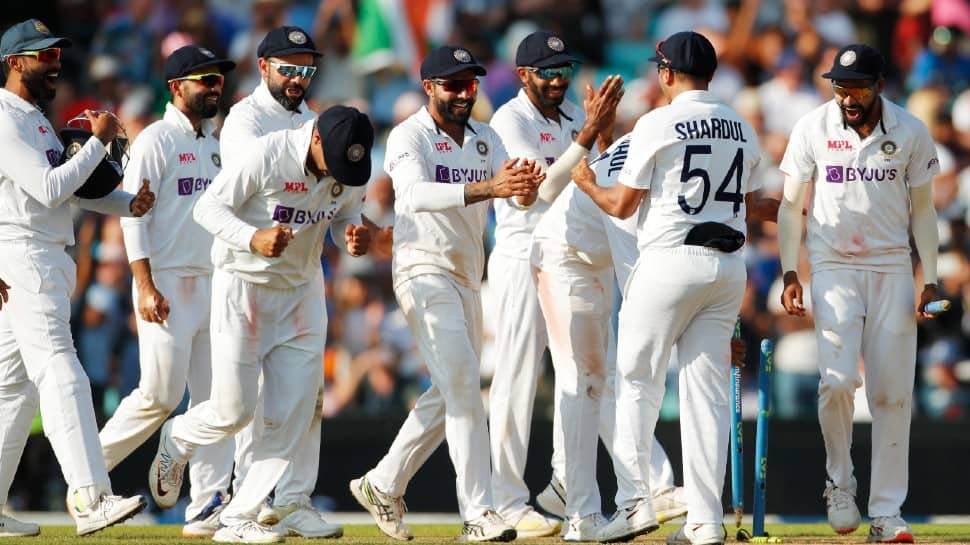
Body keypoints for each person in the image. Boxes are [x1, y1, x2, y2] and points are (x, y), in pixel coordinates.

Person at [571, 32, 767, 544]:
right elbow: (752, 203)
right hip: (727, 269)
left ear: (664, 74)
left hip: (669, 262)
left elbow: (620, 205)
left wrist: (586, 181)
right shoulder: (741, 125)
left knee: (635, 383)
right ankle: (706, 522)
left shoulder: (657, 121)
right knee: (706, 397)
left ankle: (635, 504)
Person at [149, 105, 376, 543]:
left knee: (293, 413)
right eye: (336, 163)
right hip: (244, 287)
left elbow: (346, 213)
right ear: (314, 139)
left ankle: (243, 514)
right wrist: (252, 238)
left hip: (303, 292)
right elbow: (207, 208)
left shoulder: (349, 166)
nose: (342, 174)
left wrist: (352, 233)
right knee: (234, 411)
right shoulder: (267, 155)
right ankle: (178, 435)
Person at [349, 45, 543, 543]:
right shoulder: (409, 135)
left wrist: (524, 186)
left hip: (465, 276)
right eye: (452, 85)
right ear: (429, 86)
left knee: (451, 390)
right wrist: (489, 189)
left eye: (470, 84)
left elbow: (516, 188)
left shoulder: (486, 136)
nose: (463, 93)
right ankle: (479, 513)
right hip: (420, 270)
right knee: (462, 385)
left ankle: (383, 482)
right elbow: (413, 196)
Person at [777, 43, 940, 543]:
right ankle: (839, 481)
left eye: (859, 87)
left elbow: (924, 210)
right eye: (840, 86)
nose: (848, 97)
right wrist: (789, 272)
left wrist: (929, 277)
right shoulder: (812, 127)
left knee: (892, 394)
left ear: (880, 87)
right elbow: (789, 206)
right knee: (837, 382)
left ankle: (887, 513)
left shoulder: (909, 130)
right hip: (833, 265)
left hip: (891, 264)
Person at [0, 18, 154, 537]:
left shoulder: (36, 120)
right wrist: (98, 140)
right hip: (26, 256)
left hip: (37, 254)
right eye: (43, 55)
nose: (55, 63)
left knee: (12, 391)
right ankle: (91, 497)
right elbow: (48, 190)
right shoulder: (4, 116)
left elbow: (69, 191)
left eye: (58, 54)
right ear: (15, 62)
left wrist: (126, 203)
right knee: (62, 372)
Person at [485, 30, 622, 538]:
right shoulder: (509, 120)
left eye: (564, 71)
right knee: (518, 375)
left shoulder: (570, 118)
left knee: (580, 373)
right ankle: (504, 499)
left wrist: (600, 133)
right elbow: (538, 192)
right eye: (547, 72)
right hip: (521, 252)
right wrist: (588, 133)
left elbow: (598, 175)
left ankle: (566, 486)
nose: (558, 81)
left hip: (565, 255)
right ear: (523, 75)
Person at [97, 45, 236, 538]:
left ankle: (207, 505)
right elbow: (134, 213)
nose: (214, 87)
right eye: (206, 79)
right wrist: (145, 283)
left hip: (215, 282)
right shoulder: (154, 140)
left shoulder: (219, 143)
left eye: (218, 80)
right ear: (177, 87)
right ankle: (87, 480)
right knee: (159, 395)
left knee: (218, 398)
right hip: (166, 282)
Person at [531, 132, 689, 540]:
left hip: (593, 259)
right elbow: (638, 277)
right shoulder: (631, 182)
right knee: (581, 383)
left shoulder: (658, 150)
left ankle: (641, 489)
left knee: (605, 382)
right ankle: (580, 515)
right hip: (561, 257)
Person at [219, 26, 343, 538]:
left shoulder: (316, 124)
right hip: (249, 272)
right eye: (288, 69)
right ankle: (245, 502)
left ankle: (293, 500)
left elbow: (327, 196)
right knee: (249, 403)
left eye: (306, 70)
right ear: (263, 66)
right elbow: (245, 200)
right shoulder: (242, 122)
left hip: (300, 275)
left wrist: (346, 225)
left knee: (304, 395)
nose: (298, 79)